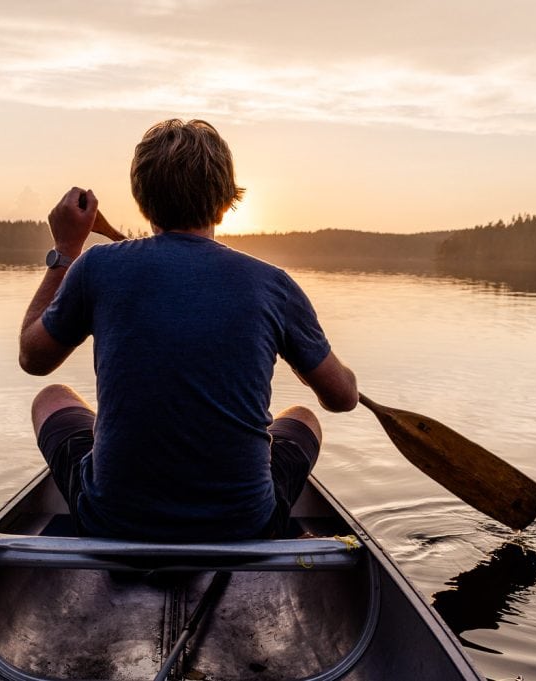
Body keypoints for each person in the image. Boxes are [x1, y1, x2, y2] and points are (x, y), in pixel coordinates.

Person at [19, 119, 357, 541]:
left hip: (113, 520)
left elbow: (33, 359)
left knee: (53, 398)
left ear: (142, 199)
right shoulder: (273, 286)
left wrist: (67, 250)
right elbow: (342, 399)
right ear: (224, 201)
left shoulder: (97, 267)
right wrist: (338, 376)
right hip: (243, 525)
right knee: (302, 416)